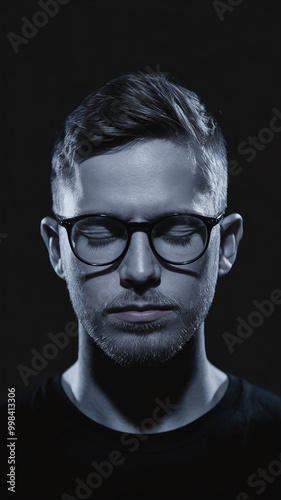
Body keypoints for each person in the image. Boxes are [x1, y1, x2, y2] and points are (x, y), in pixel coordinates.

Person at [1, 72, 281, 500]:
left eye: (177, 230)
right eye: (99, 233)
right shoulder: (9, 449)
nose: (139, 269)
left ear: (226, 245)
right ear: (56, 250)